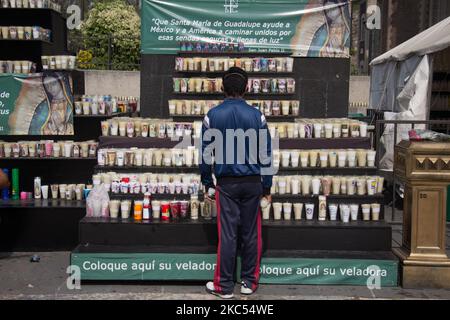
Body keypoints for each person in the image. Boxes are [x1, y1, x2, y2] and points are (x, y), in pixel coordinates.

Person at [200, 67, 273, 299]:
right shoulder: (257, 116)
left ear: (222, 88)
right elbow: (266, 153)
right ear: (247, 88)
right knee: (251, 233)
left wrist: (206, 183)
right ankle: (249, 283)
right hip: (252, 183)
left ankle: (224, 286)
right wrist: (267, 186)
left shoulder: (212, 116)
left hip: (226, 184)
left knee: (228, 235)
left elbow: (205, 155)